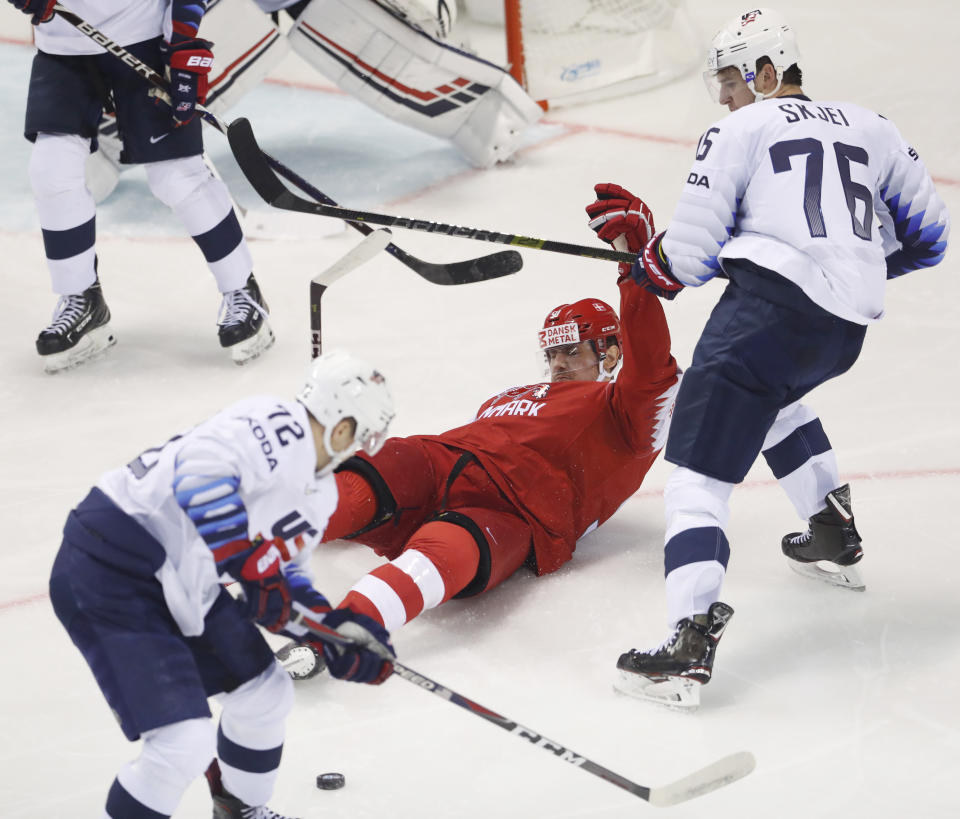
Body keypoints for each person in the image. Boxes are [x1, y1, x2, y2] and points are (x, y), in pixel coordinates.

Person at [606, 7, 950, 709]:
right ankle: (830, 528)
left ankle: (687, 639)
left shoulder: (740, 127)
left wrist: (649, 262)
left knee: (696, 475)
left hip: (767, 315)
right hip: (841, 327)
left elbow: (691, 256)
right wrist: (843, 262)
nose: (725, 97)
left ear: (769, 72)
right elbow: (930, 236)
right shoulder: (871, 125)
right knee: (770, 394)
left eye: (732, 80)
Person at [276, 229, 680, 683]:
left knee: (441, 553)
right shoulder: (511, 395)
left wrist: (632, 270)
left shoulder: (625, 414)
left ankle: (337, 631)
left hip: (513, 510)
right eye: (552, 353)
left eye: (571, 350)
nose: (559, 363)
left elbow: (651, 368)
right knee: (369, 473)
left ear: (609, 353)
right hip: (442, 458)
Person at [47, 350, 398, 818]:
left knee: (265, 695)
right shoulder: (272, 421)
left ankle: (239, 811)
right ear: (341, 426)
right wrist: (250, 568)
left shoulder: (320, 492)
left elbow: (284, 575)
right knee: (182, 742)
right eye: (361, 436)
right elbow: (200, 477)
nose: (360, 449)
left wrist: (331, 631)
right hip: (110, 565)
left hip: (183, 579)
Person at [9, 0, 275, 372]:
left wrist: (182, 43)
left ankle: (243, 291)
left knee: (176, 175)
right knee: (51, 170)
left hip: (144, 39)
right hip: (63, 47)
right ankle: (82, 299)